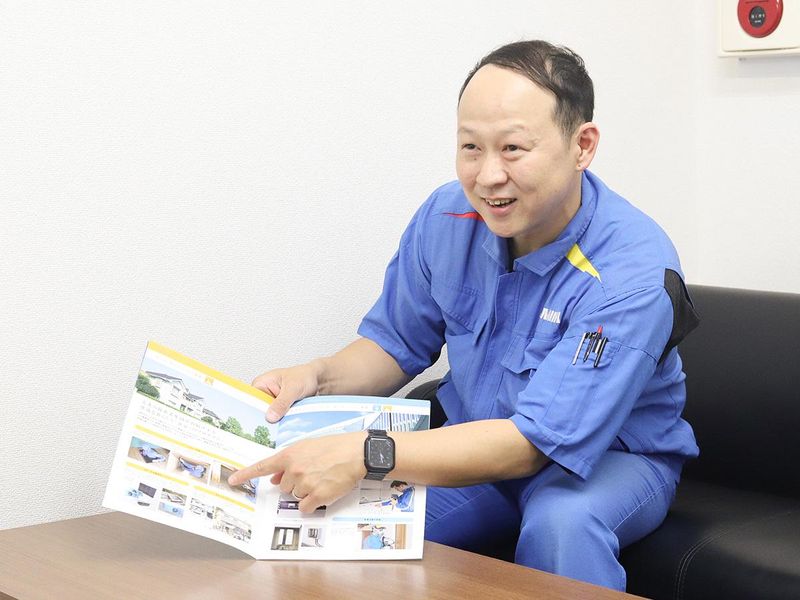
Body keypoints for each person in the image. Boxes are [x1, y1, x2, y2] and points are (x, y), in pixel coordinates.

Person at [228, 40, 699, 591]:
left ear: (582, 145)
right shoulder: (446, 217)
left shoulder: (633, 272)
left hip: (608, 460)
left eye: (513, 148)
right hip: (476, 446)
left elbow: (532, 443)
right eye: (471, 147)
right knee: (334, 525)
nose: (488, 176)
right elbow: (394, 344)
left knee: (562, 525)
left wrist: (367, 453)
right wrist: (317, 377)